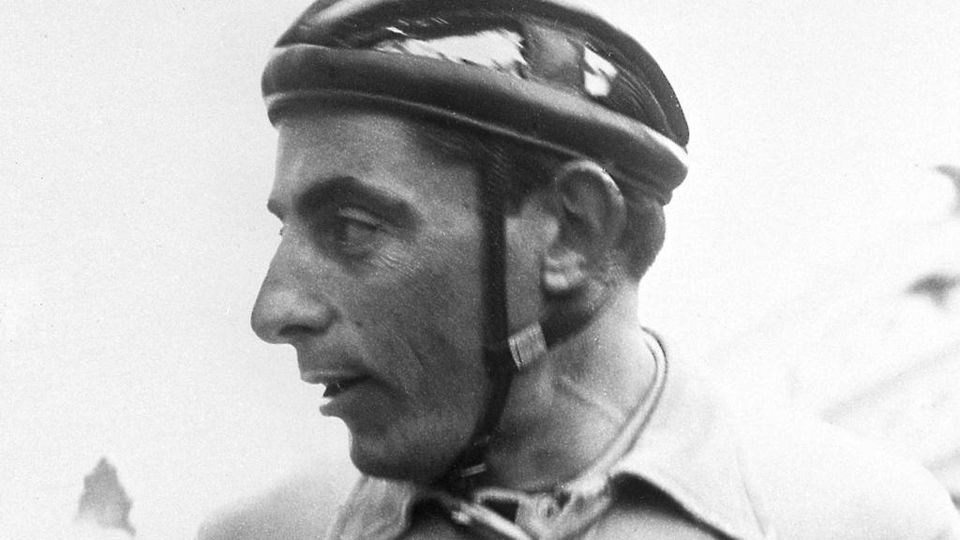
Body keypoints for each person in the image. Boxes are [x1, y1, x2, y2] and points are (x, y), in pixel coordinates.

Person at [208, 0, 960, 538]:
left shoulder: (865, 522)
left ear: (573, 231)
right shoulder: (270, 532)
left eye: (352, 228)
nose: (274, 310)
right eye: (285, 230)